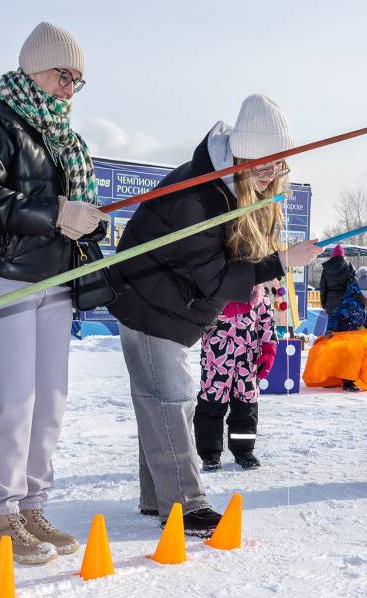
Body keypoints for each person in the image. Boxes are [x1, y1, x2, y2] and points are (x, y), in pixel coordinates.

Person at [108, 94, 321, 535]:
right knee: (171, 401)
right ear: (241, 152)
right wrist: (281, 262)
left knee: (161, 401)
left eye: (278, 163)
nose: (270, 172)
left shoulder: (231, 186)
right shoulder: (199, 195)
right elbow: (215, 277)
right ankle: (186, 505)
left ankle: (157, 496)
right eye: (262, 162)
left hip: (170, 305)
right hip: (149, 304)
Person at [0, 22, 108, 565]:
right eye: (62, 75)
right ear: (32, 68)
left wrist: (87, 221)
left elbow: (70, 207)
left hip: (56, 280)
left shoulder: (64, 138)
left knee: (50, 401)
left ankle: (32, 505)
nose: (70, 88)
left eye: (77, 80)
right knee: (14, 401)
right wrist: (57, 213)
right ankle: (1, 517)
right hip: (4, 276)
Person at [194, 283, 278, 471]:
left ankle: (243, 451)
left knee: (246, 407)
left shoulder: (259, 296)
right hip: (217, 358)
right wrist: (222, 309)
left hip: (248, 360)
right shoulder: (213, 291)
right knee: (211, 404)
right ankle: (210, 454)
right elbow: (200, 316)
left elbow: (267, 324)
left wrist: (268, 349)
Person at [325, 267, 367, 392]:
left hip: (353, 337)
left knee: (353, 358)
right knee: (349, 359)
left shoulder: (362, 307)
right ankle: (348, 382)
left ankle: (347, 380)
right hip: (343, 336)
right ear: (366, 293)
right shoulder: (352, 305)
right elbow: (335, 315)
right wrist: (330, 329)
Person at [319, 244, 356, 315]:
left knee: (332, 321)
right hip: (345, 303)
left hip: (330, 303)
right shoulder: (349, 267)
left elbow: (322, 287)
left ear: (333, 255)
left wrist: (323, 303)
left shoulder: (326, 269)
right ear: (343, 255)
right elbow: (352, 286)